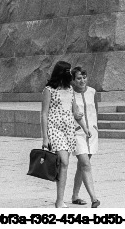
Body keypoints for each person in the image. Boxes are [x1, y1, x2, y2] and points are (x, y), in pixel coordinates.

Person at [40, 61, 82, 209]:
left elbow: (74, 109)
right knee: (63, 161)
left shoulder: (70, 89)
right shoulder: (49, 90)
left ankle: (60, 199)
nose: (69, 74)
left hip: (68, 129)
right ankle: (59, 200)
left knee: (64, 165)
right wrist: (45, 137)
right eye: (67, 71)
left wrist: (81, 119)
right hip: (54, 128)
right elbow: (44, 113)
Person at [69, 67, 100, 208]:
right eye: (79, 78)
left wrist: (94, 127)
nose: (82, 81)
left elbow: (95, 111)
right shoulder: (69, 94)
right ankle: (94, 198)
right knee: (85, 164)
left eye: (84, 77)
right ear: (73, 80)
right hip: (77, 133)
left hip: (91, 133)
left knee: (82, 166)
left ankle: (75, 196)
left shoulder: (92, 92)